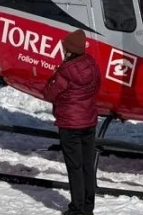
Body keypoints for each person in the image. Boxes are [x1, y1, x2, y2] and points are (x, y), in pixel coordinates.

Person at [43, 29, 101, 215]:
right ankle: (88, 206)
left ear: (69, 50)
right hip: (89, 121)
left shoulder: (65, 71)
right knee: (87, 165)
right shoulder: (91, 64)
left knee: (74, 166)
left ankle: (77, 208)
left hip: (70, 124)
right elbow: (97, 85)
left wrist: (54, 76)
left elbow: (49, 93)